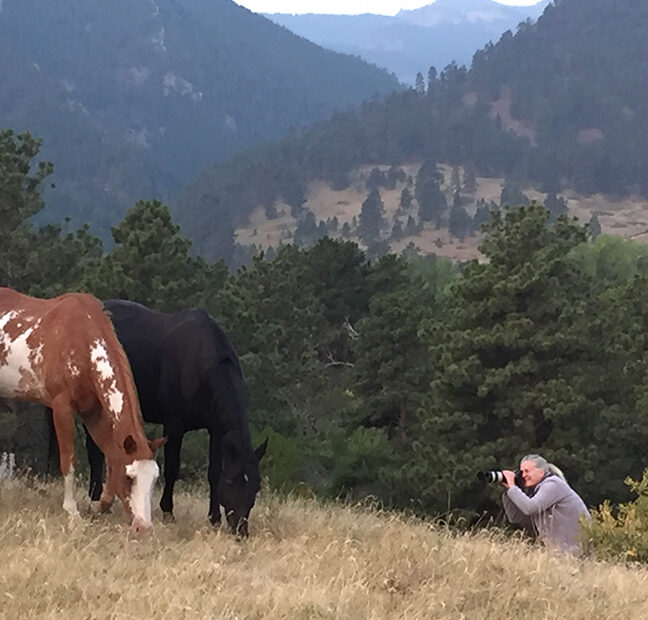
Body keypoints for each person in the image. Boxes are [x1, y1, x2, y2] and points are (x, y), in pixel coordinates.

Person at [501, 454, 591, 557]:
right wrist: (510, 491)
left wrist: (513, 488)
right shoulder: (537, 490)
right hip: (562, 553)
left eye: (527, 471)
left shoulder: (553, 484)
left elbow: (530, 508)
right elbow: (516, 518)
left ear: (541, 471)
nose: (523, 475)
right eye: (521, 472)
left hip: (576, 552)